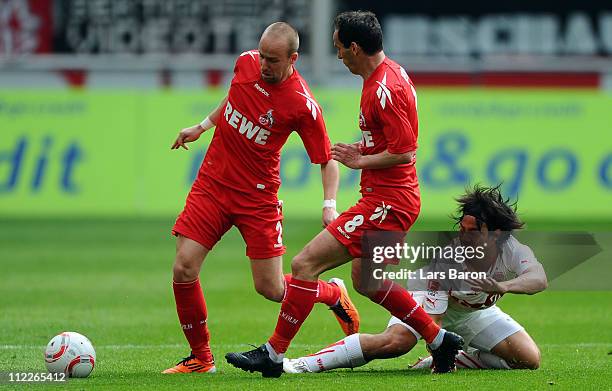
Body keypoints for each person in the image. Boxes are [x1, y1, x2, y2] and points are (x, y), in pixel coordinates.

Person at [225, 11, 463, 378]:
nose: (338, 56)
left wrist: (359, 159)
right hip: (391, 197)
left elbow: (406, 151)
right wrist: (364, 148)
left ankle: (273, 355)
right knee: (368, 281)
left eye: (339, 49)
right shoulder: (387, 76)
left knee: (304, 265)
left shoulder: (385, 89)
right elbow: (392, 143)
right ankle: (439, 339)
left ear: (354, 47)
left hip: (389, 201)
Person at [163, 22, 360, 374]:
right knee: (184, 267)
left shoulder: (303, 105)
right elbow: (234, 97)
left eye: (272, 60)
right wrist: (202, 126)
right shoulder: (246, 63)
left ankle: (331, 293)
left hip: (257, 199)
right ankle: (200, 357)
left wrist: (329, 205)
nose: (263, 64)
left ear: (293, 59)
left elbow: (326, 159)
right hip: (213, 184)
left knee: (270, 288)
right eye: (262, 56)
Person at [283, 185, 548, 374]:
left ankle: (460, 359)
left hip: (473, 312)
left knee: (528, 359)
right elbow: (433, 323)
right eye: (462, 229)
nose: (465, 236)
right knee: (396, 342)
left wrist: (504, 286)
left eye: (474, 231)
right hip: (428, 301)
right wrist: (438, 355)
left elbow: (538, 278)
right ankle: (303, 364)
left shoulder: (511, 247)